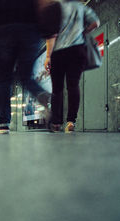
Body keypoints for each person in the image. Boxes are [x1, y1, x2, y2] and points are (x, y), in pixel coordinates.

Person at [0, 0, 52, 134]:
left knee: (3, 79)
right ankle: (41, 94)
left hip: (3, 29)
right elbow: (44, 3)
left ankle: (3, 124)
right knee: (26, 75)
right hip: (31, 29)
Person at [45, 0, 99, 133]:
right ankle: (71, 122)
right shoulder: (80, 7)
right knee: (73, 85)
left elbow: (52, 34)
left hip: (58, 52)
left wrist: (48, 56)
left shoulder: (55, 7)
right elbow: (95, 23)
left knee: (57, 88)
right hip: (77, 50)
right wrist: (82, 32)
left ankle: (56, 123)